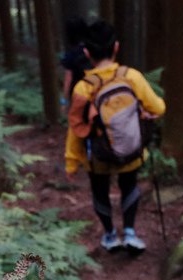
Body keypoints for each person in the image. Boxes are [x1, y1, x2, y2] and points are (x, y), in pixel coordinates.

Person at [65, 20, 165, 253]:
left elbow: (75, 127)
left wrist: (71, 161)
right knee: (129, 185)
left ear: (87, 53)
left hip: (97, 154)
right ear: (116, 47)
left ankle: (110, 235)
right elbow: (158, 108)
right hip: (131, 148)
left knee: (100, 191)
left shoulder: (83, 87)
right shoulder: (132, 77)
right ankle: (129, 232)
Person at [59, 18, 90, 103]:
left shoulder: (70, 54)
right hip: (95, 91)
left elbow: (68, 78)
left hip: (78, 94)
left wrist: (64, 100)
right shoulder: (93, 49)